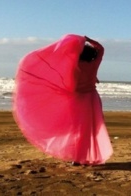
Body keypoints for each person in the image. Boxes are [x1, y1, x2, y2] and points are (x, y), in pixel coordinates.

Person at [13, 34, 113, 165]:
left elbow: (69, 83)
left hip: (77, 99)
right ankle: (87, 157)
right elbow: (101, 49)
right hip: (92, 99)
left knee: (77, 129)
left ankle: (77, 158)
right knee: (92, 128)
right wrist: (88, 40)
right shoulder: (94, 64)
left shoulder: (74, 65)